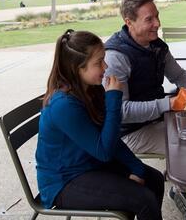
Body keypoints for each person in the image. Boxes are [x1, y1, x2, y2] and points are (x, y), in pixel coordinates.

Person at [104, 0, 186, 217]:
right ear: (129, 22)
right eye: (149, 19)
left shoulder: (156, 45)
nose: (157, 24)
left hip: (155, 120)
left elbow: (179, 75)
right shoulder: (116, 56)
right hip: (128, 132)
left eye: (157, 16)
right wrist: (169, 103)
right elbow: (121, 112)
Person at [35, 29, 164, 220]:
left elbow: (111, 140)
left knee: (155, 179)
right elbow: (104, 152)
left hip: (89, 163)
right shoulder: (63, 105)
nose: (105, 67)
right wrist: (114, 99)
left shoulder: (90, 90)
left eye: (104, 59)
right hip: (64, 181)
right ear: (77, 68)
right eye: (98, 62)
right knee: (144, 199)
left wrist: (136, 168)